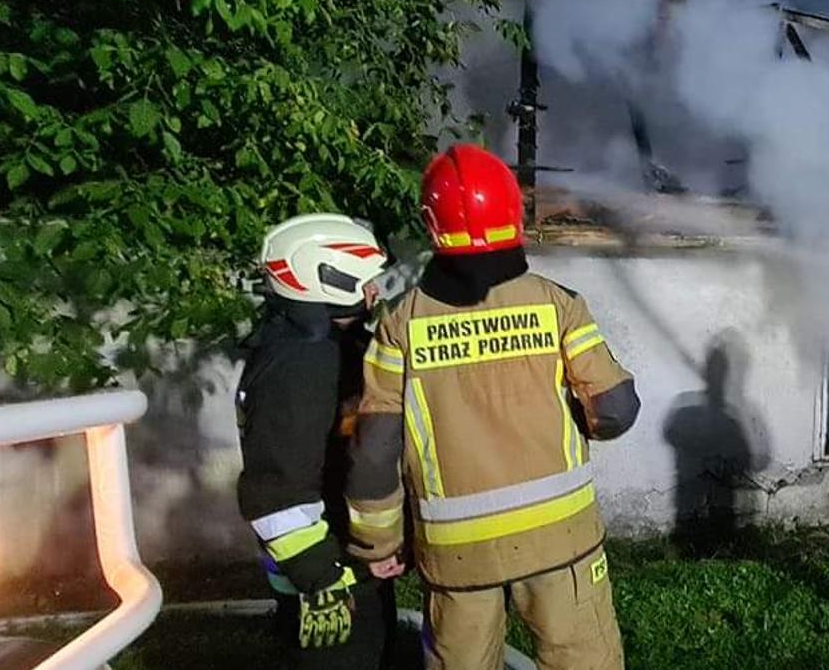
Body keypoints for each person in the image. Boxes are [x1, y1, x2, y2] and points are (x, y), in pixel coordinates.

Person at [346, 144, 642, 670]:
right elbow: (615, 408)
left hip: (457, 554)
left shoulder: (399, 326)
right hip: (562, 541)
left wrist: (378, 542)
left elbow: (374, 450)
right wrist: (579, 423)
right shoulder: (558, 304)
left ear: (432, 224)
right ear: (513, 214)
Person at [236, 213, 394, 668]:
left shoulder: (310, 345)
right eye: (366, 281)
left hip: (342, 564)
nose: (375, 292)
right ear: (330, 278)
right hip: (326, 576)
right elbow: (275, 492)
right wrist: (323, 578)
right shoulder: (303, 363)